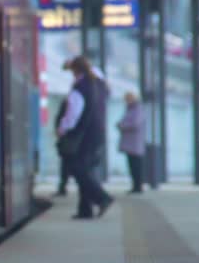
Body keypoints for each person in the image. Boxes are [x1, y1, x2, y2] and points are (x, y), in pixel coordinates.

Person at [58, 56, 114, 219]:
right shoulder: (99, 84)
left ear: (76, 70)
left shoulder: (80, 87)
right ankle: (85, 210)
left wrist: (62, 128)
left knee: (78, 169)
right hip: (97, 133)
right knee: (86, 170)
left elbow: (73, 114)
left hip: (83, 135)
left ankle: (102, 198)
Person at [117, 92, 146, 194]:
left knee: (136, 166)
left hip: (134, 142)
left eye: (128, 98)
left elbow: (135, 123)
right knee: (132, 165)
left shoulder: (137, 109)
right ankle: (135, 185)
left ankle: (138, 186)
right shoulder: (130, 109)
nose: (126, 100)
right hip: (130, 142)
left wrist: (122, 125)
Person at [54, 98, 71, 196]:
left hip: (66, 141)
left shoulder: (65, 111)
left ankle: (62, 187)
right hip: (66, 141)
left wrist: (60, 131)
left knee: (66, 166)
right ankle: (62, 186)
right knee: (66, 166)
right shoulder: (67, 106)